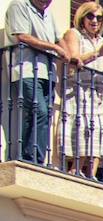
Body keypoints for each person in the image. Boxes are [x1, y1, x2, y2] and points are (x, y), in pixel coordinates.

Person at [2, 0, 66, 164]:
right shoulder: (19, 5)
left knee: (43, 115)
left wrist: (68, 53)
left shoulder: (47, 13)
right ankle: (29, 158)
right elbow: (22, 36)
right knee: (39, 111)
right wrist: (55, 48)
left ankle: (36, 158)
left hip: (47, 72)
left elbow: (59, 40)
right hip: (27, 69)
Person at [59, 2, 103, 179]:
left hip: (99, 93)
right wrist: (98, 53)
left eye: (99, 18)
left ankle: (91, 174)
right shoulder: (74, 34)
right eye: (90, 16)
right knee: (82, 128)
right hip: (79, 89)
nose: (95, 21)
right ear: (82, 17)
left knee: (98, 131)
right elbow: (74, 60)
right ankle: (75, 169)